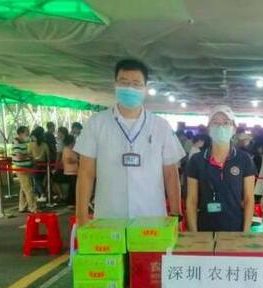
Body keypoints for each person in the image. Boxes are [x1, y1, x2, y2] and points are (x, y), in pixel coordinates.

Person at [74, 58, 184, 225]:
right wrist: (81, 217)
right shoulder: (96, 123)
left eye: (136, 84)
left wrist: (176, 214)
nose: (130, 88)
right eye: (124, 82)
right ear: (115, 85)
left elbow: (171, 174)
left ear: (145, 89)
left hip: (151, 217)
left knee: (149, 244)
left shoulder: (160, 126)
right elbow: (86, 173)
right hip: (109, 216)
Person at [185, 106, 256, 232]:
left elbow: (249, 199)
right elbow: (191, 200)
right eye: (215, 123)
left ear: (234, 129)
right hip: (205, 230)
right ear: (209, 129)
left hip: (235, 229)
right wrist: (194, 233)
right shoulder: (196, 160)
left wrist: (245, 232)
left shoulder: (244, 159)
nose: (220, 127)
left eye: (226, 123)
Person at [12, 126, 37, 213]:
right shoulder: (17, 143)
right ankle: (33, 207)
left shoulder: (23, 142)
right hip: (22, 168)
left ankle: (22, 206)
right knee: (28, 189)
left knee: (24, 188)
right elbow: (19, 157)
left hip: (25, 168)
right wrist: (29, 155)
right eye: (27, 131)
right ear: (21, 133)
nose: (28, 133)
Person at [29, 126, 50, 202]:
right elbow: (48, 156)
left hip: (35, 164)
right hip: (44, 165)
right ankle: (40, 195)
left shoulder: (31, 145)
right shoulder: (45, 145)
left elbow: (29, 155)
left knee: (37, 181)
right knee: (41, 180)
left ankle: (42, 194)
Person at [62, 134, 79, 205]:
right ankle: (71, 202)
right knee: (72, 187)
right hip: (70, 171)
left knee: (73, 187)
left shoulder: (72, 149)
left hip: (74, 171)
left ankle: (72, 201)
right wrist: (78, 160)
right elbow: (68, 160)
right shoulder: (67, 149)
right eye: (74, 141)